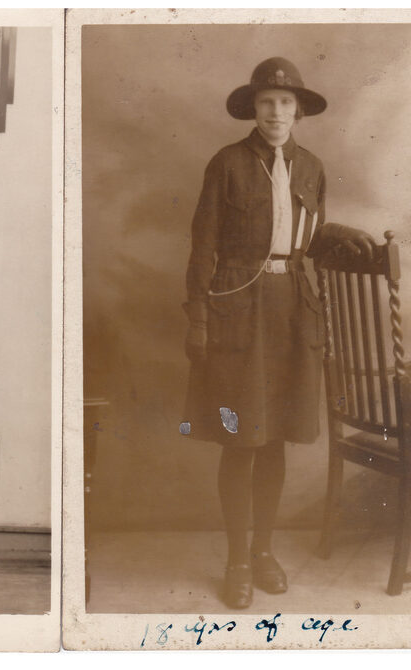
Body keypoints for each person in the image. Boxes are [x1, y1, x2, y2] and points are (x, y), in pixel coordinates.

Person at [183, 58, 376, 609]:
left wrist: (335, 232)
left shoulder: (311, 167)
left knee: (275, 439)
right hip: (236, 311)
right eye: (267, 102)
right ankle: (237, 561)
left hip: (294, 310)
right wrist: (197, 316)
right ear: (254, 108)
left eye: (286, 103)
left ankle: (265, 551)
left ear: (298, 111)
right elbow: (202, 246)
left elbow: (307, 239)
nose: (276, 112)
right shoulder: (226, 164)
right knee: (243, 437)